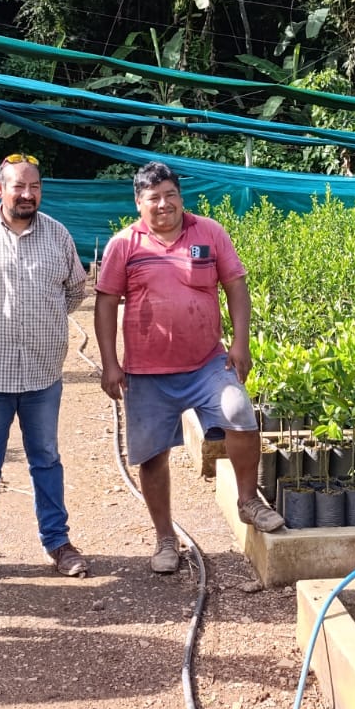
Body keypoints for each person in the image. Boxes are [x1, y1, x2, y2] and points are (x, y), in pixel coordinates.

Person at [94, 161, 284, 576]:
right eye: (153, 198)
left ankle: (248, 500)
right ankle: (165, 537)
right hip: (146, 370)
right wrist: (110, 362)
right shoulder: (124, 244)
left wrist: (240, 342)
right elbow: (106, 302)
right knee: (151, 454)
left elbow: (235, 285)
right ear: (138, 203)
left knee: (239, 412)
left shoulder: (210, 233)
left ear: (181, 196)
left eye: (170, 195)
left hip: (206, 363)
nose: (163, 205)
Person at [0, 154, 90, 587]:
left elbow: (75, 289)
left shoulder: (58, 235)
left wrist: (43, 326)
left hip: (43, 374)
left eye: (35, 187)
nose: (28, 195)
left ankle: (58, 543)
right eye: (19, 186)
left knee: (46, 459)